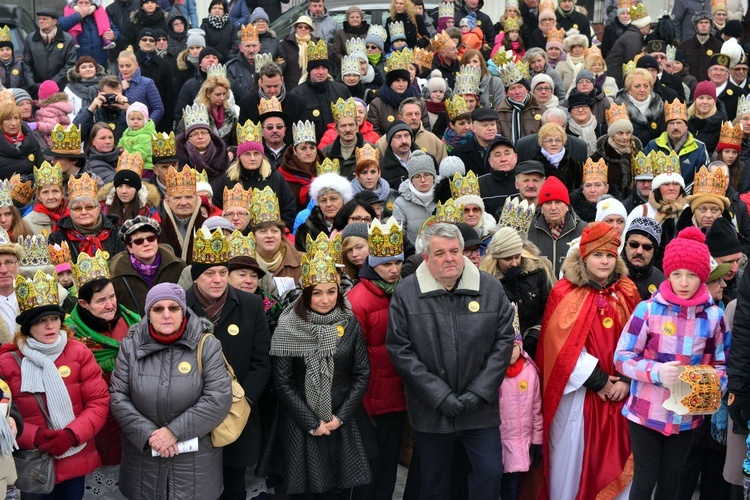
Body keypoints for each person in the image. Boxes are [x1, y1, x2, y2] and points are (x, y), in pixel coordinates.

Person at [386, 222, 515, 498]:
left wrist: (479, 392)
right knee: (434, 482)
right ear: (426, 258)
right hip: (432, 411)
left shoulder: (490, 288)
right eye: (440, 253)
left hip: (479, 409)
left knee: (490, 474)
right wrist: (439, 395)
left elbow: (504, 342)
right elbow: (400, 349)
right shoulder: (407, 293)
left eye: (455, 251)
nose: (449, 258)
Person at [615, 226, 728, 499]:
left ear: (702, 276)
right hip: (645, 412)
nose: (684, 282)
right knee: (645, 479)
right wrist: (655, 372)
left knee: (671, 480)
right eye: (677, 274)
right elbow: (622, 358)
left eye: (691, 275)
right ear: (668, 274)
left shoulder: (713, 316)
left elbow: (722, 365)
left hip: (686, 417)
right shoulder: (648, 309)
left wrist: (709, 386)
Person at [259, 233, 372, 495]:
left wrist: (340, 417)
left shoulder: (350, 323)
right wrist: (312, 421)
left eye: (331, 292)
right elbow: (283, 383)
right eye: (317, 293)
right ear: (306, 294)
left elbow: (361, 374)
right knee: (301, 490)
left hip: (341, 417)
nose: (325, 299)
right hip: (298, 421)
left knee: (339, 490)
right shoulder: (289, 325)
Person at [537, 222, 640, 499]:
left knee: (617, 458)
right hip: (580, 397)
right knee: (572, 460)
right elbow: (560, 347)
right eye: (597, 255)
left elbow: (643, 339)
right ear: (584, 257)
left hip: (622, 394)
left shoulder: (628, 291)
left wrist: (627, 380)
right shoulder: (564, 292)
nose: (604, 261)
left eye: (609, 255)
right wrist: (600, 382)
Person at [109, 283, 232, 499]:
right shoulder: (130, 347)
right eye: (158, 309)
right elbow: (118, 397)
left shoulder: (207, 345)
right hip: (143, 459)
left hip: (195, 463)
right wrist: (149, 435)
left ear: (183, 310)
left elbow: (218, 398)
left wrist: (174, 432)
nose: (166, 315)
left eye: (173, 308)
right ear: (148, 313)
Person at [0, 269, 109, 499]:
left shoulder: (78, 352)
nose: (50, 326)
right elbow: (5, 413)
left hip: (74, 457)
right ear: (28, 326)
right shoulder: (8, 362)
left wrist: (71, 434)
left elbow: (98, 402)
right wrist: (33, 436)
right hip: (34, 461)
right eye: (41, 321)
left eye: (54, 319)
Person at [185, 227, 271, 500]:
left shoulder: (250, 304)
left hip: (238, 412)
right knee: (195, 485)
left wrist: (243, 401)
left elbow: (261, 361)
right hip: (192, 412)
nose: (218, 279)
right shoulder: (179, 306)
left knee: (234, 485)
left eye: (222, 272)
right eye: (209, 273)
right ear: (196, 276)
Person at [480, 224, 552, 359]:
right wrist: (510, 288)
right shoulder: (486, 279)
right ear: (496, 258)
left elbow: (548, 309)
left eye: (517, 257)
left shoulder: (537, 271)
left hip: (536, 342)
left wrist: (534, 334)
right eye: (507, 259)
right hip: (504, 348)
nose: (514, 263)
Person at [109, 216, 185, 317]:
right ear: (129, 247)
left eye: (151, 239)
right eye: (139, 241)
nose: (146, 244)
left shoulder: (178, 266)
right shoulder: (116, 276)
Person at [48, 174, 125, 260]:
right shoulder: (58, 237)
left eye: (89, 207)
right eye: (77, 208)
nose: (84, 212)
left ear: (98, 208)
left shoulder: (117, 234)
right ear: (69, 211)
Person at [290, 40, 351, 141]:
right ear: (309, 70)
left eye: (324, 68)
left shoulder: (341, 90)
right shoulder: (297, 95)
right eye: (317, 68)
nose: (321, 72)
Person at [643, 99, 710, 191]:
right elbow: (644, 174)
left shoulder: (699, 148)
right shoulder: (653, 145)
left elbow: (703, 176)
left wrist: (682, 194)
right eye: (671, 123)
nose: (675, 127)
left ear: (686, 126)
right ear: (666, 126)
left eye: (679, 123)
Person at [527, 176, 585, 276]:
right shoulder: (527, 231)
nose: (553, 208)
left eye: (558, 202)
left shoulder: (583, 230)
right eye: (548, 203)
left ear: (567, 206)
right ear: (541, 208)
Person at [250, 188, 302, 296]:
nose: (269, 236)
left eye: (274, 231)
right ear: (253, 236)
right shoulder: (246, 262)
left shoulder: (302, 261)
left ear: (282, 234)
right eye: (263, 231)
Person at [295, 161, 353, 252]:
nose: (328, 204)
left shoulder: (353, 226)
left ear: (343, 200)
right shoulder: (304, 231)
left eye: (333, 198)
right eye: (323, 200)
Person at [23, 9, 78, 98]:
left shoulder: (67, 39)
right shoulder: (30, 39)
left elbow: (70, 64)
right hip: (37, 88)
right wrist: (31, 83)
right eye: (39, 19)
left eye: (44, 19)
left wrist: (53, 82)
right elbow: (26, 63)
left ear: (54, 21)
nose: (41, 21)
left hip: (59, 88)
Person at [134, 28, 175, 132]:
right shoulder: (131, 62)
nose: (148, 42)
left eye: (151, 40)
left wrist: (168, 121)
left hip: (158, 119)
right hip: (133, 118)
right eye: (144, 39)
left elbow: (169, 95)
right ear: (139, 42)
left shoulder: (164, 64)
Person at [393, 150, 437, 245]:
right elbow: (398, 234)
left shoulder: (445, 196)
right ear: (411, 180)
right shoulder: (400, 203)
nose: (423, 180)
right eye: (417, 176)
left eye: (427, 175)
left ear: (433, 176)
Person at [494, 61, 545, 143]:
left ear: (527, 89)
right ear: (506, 93)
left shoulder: (541, 109)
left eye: (520, 87)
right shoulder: (498, 112)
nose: (517, 92)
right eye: (512, 88)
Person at [605, 3, 652, 87]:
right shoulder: (634, 38)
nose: (649, 27)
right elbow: (631, 63)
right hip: (616, 79)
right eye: (648, 24)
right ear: (643, 25)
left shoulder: (633, 35)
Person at [73, 76, 130, 143]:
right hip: (94, 153)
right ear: (100, 93)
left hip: (122, 153)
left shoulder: (127, 111)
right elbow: (74, 137)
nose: (112, 99)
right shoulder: (89, 112)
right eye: (109, 95)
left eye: (116, 95)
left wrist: (129, 110)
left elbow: (142, 133)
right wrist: (90, 110)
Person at [623, 216, 666, 300]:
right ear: (625, 246)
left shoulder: (662, 283)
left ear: (654, 252)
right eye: (634, 245)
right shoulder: (610, 276)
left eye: (647, 247)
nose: (639, 251)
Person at [117, 50, 164, 127]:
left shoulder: (147, 83)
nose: (124, 69)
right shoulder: (113, 83)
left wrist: (147, 125)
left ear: (136, 65)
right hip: (119, 128)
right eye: (121, 66)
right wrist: (120, 88)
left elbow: (158, 108)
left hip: (141, 130)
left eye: (128, 66)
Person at [0, 102, 44, 180]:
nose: (13, 123)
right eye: (7, 119)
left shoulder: (32, 142)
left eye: (16, 118)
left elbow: (44, 170)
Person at [23, 161, 68, 236]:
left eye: (55, 191)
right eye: (45, 192)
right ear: (38, 196)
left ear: (62, 193)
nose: (51, 197)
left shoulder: (74, 216)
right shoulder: (27, 222)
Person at [64, 56, 107, 122]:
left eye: (91, 66)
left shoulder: (105, 84)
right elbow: (69, 112)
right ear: (78, 71)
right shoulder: (70, 88)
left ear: (96, 69)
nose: (88, 69)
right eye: (84, 67)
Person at [118, 102, 157, 174]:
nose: (135, 121)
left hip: (145, 167)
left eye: (139, 119)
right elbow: (121, 142)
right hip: (127, 164)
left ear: (145, 120)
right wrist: (119, 149)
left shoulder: (146, 136)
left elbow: (140, 153)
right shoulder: (127, 132)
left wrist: (125, 157)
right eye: (132, 119)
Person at [199, 0, 238, 64]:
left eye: (220, 8)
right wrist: (216, 56)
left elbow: (236, 41)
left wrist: (230, 55)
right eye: (214, 8)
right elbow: (205, 44)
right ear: (210, 10)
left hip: (229, 61)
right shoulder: (205, 25)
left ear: (224, 11)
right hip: (211, 61)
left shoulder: (231, 25)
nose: (217, 10)